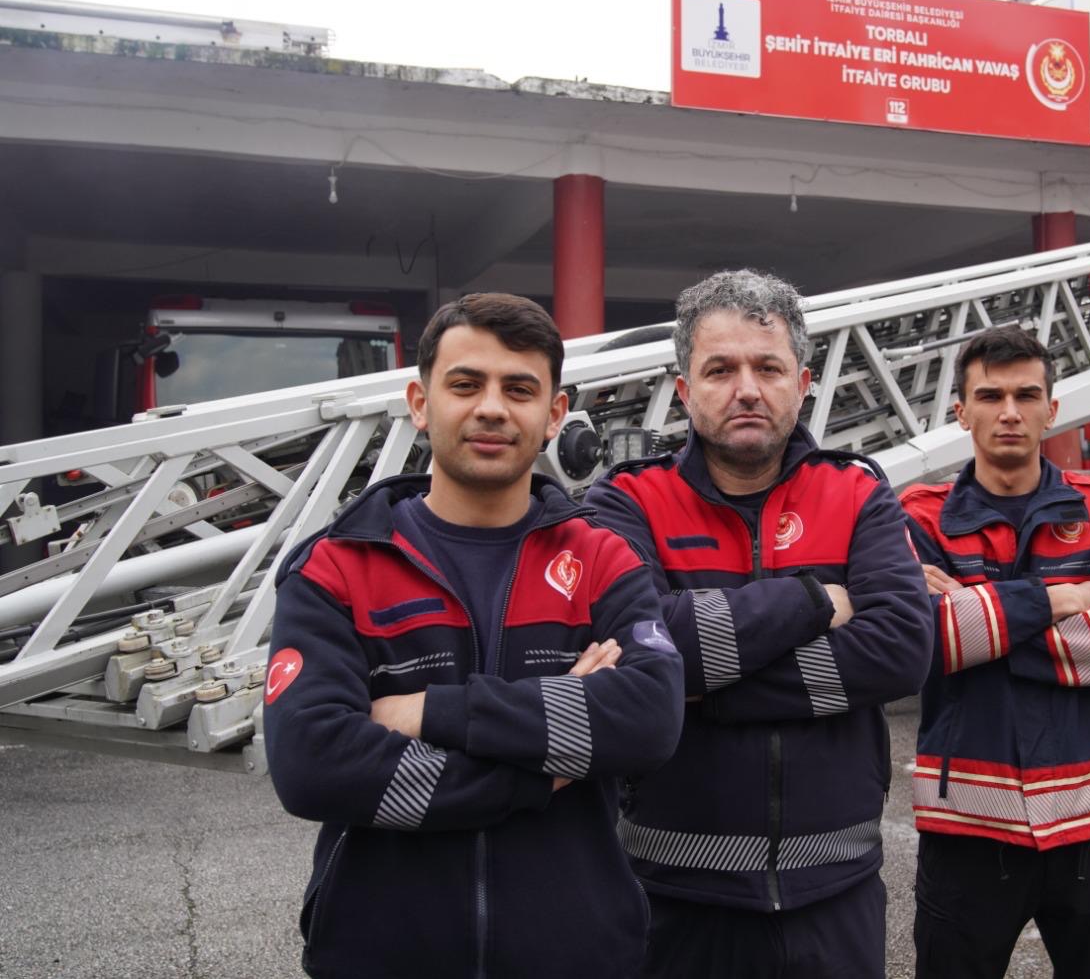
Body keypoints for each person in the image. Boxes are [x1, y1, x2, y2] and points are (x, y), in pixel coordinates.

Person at [265, 292, 684, 979]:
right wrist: (541, 771)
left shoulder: (604, 559)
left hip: (579, 958)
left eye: (519, 388)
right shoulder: (337, 566)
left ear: (553, 414)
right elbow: (313, 763)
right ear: (420, 402)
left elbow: (649, 720)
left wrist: (432, 710)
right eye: (465, 384)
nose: (492, 407)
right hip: (379, 959)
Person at [586, 269, 933, 979]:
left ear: (802, 381)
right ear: (684, 389)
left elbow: (900, 649)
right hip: (671, 900)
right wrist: (813, 599)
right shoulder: (626, 503)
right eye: (720, 368)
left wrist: (689, 686)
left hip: (834, 895)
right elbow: (632, 649)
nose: (747, 387)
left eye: (767, 366)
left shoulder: (858, 491)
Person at [899, 325, 1090, 979]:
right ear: (960, 411)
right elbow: (924, 645)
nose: (1008, 412)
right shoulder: (918, 517)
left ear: (1053, 407)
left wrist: (976, 613)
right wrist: (1062, 597)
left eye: (1025, 394)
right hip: (967, 832)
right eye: (989, 395)